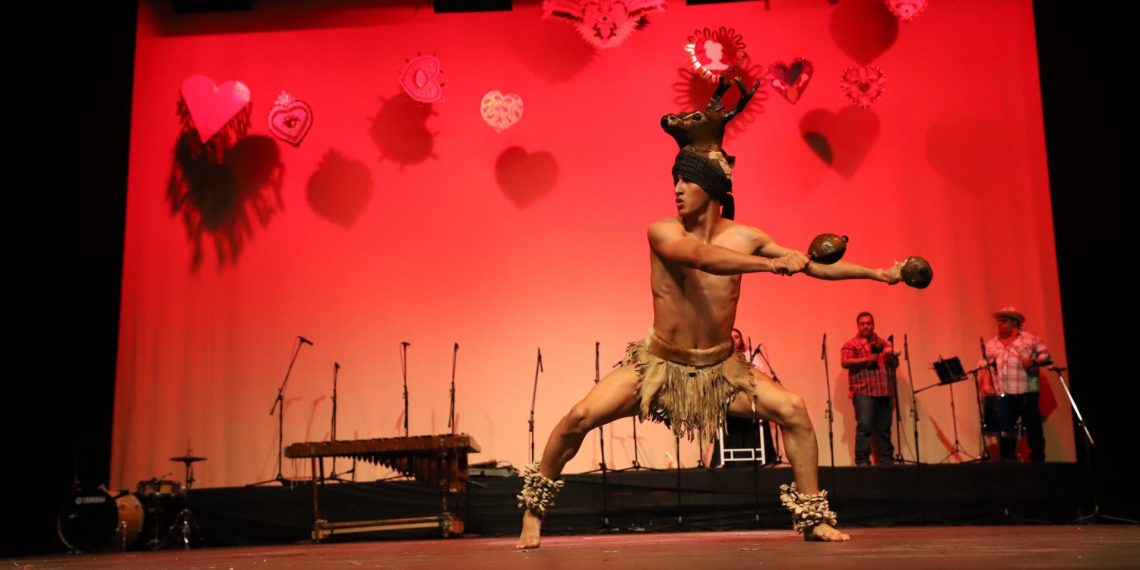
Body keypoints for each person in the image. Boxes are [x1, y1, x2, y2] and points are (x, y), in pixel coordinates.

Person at [515, 77, 908, 547]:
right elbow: (702, 258)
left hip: (721, 372)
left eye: (688, 181)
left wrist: (879, 274)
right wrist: (772, 264)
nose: (678, 189)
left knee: (794, 410)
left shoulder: (746, 236)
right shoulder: (663, 231)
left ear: (714, 188)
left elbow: (812, 265)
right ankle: (533, 511)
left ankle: (813, 519)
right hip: (657, 367)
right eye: (676, 180)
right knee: (578, 417)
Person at [978, 306, 1051, 462]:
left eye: (1004, 321)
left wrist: (1033, 362)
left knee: (1033, 428)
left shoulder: (1029, 339)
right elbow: (983, 364)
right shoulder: (992, 344)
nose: (1000, 324)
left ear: (1015, 322)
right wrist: (985, 378)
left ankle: (1038, 462)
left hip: (1026, 391)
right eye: (998, 321)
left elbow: (1046, 356)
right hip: (1004, 393)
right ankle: (1008, 464)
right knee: (1005, 432)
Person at [840, 312, 900, 466]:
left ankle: (886, 460)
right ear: (858, 326)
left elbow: (894, 365)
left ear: (873, 325)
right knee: (865, 426)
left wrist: (892, 357)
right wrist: (868, 359)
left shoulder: (884, 344)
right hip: (863, 391)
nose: (866, 326)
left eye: (868, 323)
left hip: (884, 391)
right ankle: (862, 461)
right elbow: (845, 362)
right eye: (862, 324)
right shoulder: (852, 344)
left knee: (884, 428)